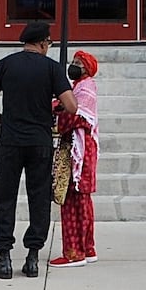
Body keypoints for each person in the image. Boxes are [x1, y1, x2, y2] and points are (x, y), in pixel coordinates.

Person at [0, 21, 77, 280]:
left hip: (10, 141)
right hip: (40, 142)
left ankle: (4, 258)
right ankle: (33, 257)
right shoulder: (52, 68)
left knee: (5, 196)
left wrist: (2, 119)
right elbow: (71, 105)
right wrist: (53, 111)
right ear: (43, 42)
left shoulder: (6, 64)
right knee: (39, 197)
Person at [51, 49, 101, 269]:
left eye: (78, 63)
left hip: (80, 151)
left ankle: (74, 252)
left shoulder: (86, 88)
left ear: (87, 68)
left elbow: (76, 117)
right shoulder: (78, 87)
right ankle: (87, 248)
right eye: (73, 61)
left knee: (72, 200)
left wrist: (55, 113)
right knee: (81, 201)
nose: (73, 65)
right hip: (81, 149)